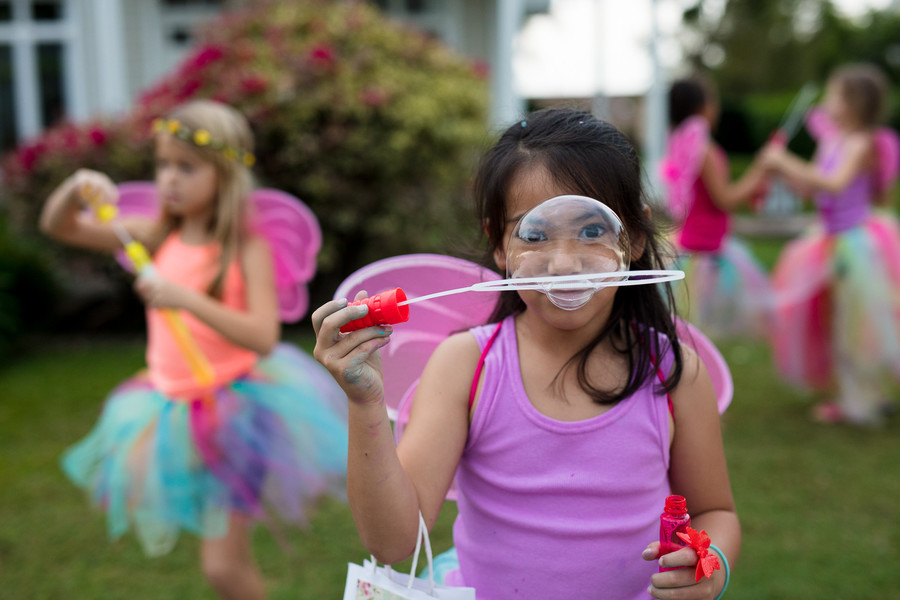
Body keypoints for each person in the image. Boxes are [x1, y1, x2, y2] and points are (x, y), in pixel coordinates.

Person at [313, 108, 739, 599]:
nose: (563, 264)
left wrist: (713, 565)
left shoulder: (674, 372)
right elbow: (394, 543)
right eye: (535, 235)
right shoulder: (466, 366)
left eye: (592, 231)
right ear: (499, 243)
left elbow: (716, 512)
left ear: (636, 238)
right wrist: (364, 402)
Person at [40, 100, 348, 599]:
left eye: (186, 167)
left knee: (223, 568)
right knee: (225, 566)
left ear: (224, 174)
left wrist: (184, 298)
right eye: (162, 165)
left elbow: (263, 336)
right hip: (170, 411)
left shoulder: (246, 247)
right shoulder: (155, 235)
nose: (170, 179)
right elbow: (60, 226)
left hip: (238, 411)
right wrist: (76, 187)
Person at [762, 63, 900, 426]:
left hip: (855, 246)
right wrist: (782, 172)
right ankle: (860, 392)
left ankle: (860, 400)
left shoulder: (860, 143)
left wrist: (785, 160)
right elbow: (813, 188)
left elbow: (835, 183)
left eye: (835, 94)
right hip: (827, 240)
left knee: (855, 325)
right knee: (837, 321)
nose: (827, 101)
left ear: (855, 102)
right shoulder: (832, 140)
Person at [660, 74, 772, 339]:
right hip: (706, 254)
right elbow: (726, 199)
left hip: (693, 246)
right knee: (699, 335)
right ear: (702, 106)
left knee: (690, 333)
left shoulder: (681, 142)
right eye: (713, 99)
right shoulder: (703, 148)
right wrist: (761, 169)